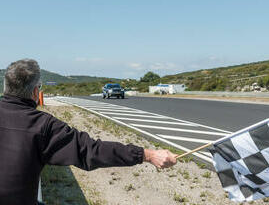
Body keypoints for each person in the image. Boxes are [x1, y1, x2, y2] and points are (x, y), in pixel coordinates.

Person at [0, 59, 177, 205]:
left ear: (5, 87)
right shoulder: (43, 125)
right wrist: (147, 154)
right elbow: (90, 151)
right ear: (35, 91)